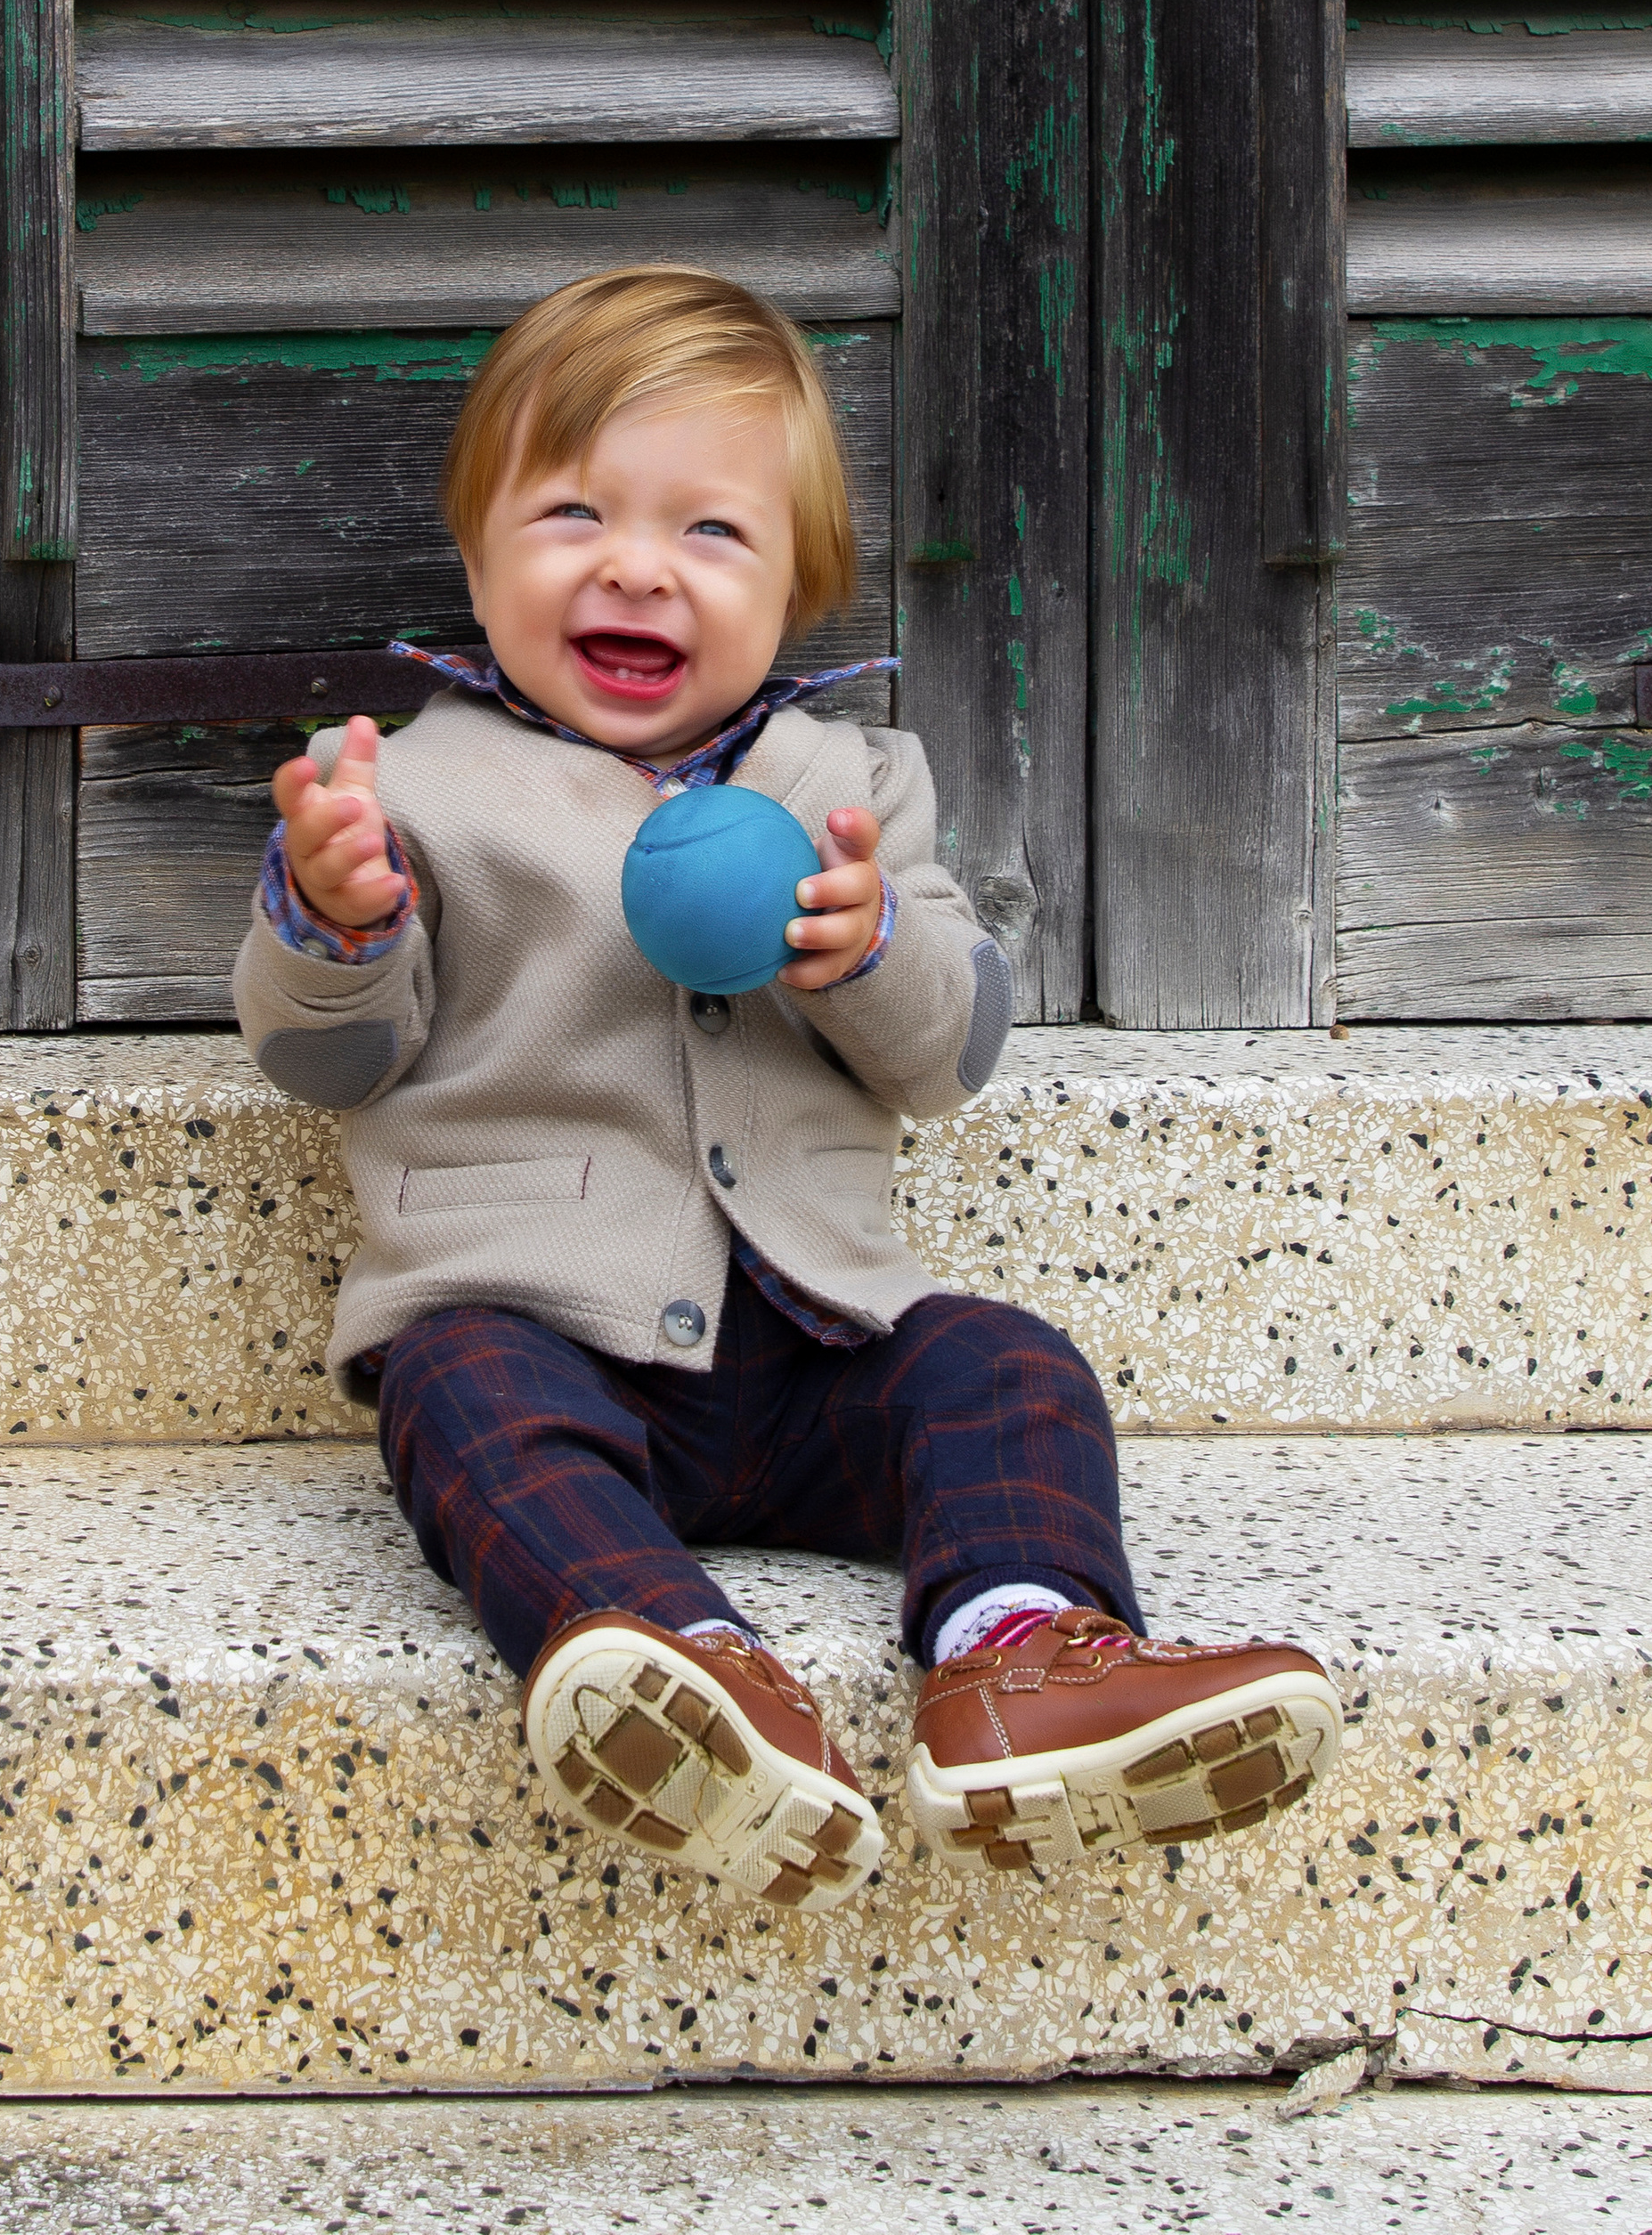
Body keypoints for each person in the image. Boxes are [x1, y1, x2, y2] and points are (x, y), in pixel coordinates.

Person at [233, 266, 1341, 1914]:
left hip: (822, 1339)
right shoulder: (418, 791)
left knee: (1007, 1366)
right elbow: (327, 1058)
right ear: (475, 558)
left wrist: (870, 948)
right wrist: (337, 918)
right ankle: (684, 1672)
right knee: (456, 1398)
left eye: (709, 533)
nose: (633, 565)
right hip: (546, 1318)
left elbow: (955, 1055)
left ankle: (1019, 1661)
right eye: (570, 515)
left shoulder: (853, 791)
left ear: (798, 590)